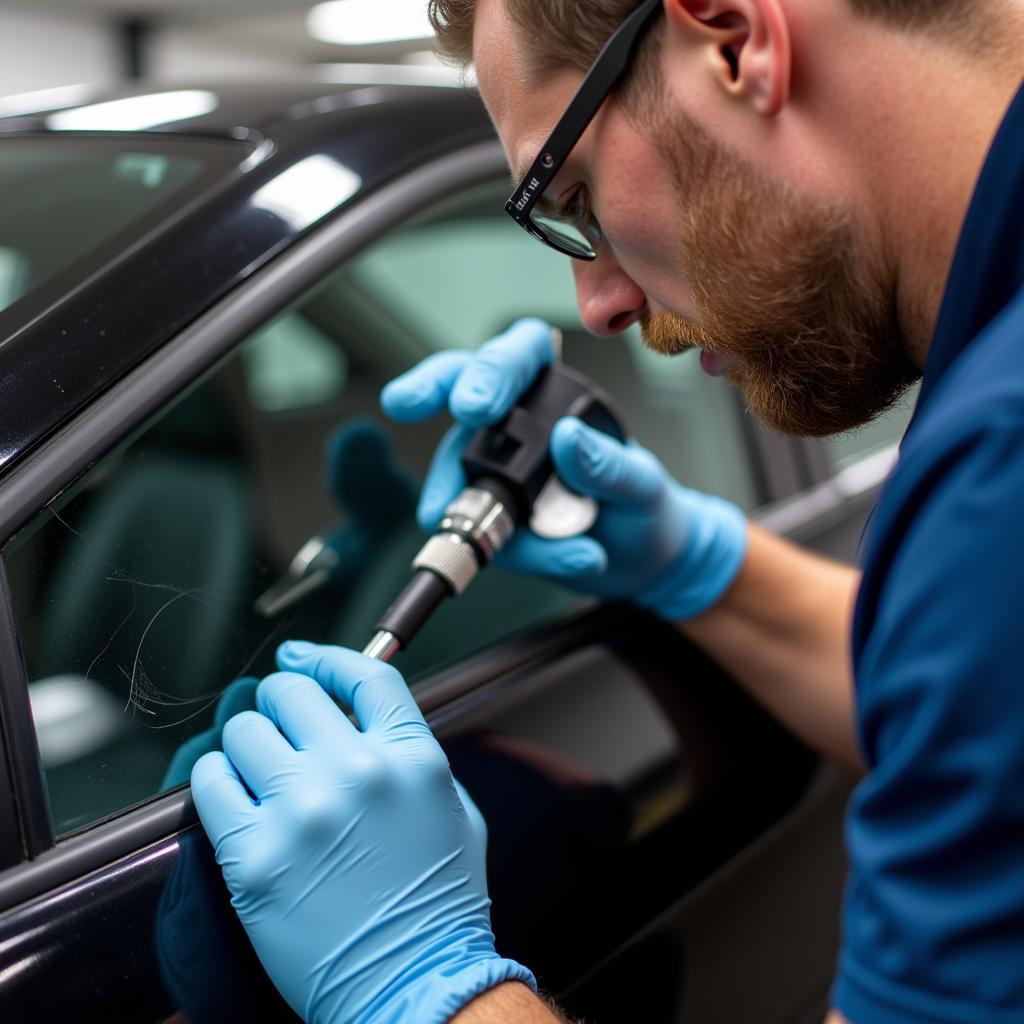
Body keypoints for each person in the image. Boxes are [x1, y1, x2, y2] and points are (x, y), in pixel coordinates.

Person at [188, 0, 1024, 1021]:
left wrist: (418, 984)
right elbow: (965, 707)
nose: (598, 305)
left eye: (569, 193)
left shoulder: (1000, 474)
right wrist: (691, 562)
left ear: (731, 38)